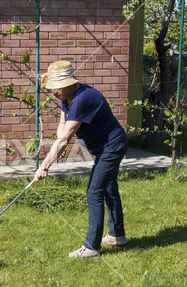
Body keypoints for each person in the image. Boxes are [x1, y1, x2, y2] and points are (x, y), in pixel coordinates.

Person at [34, 60, 129, 258]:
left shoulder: (82, 99)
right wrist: (60, 145)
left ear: (69, 84)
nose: (53, 92)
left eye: (56, 87)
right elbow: (62, 126)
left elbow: (64, 138)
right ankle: (117, 235)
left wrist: (44, 166)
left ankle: (92, 246)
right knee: (109, 188)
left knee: (94, 192)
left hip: (112, 146)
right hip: (105, 147)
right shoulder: (66, 97)